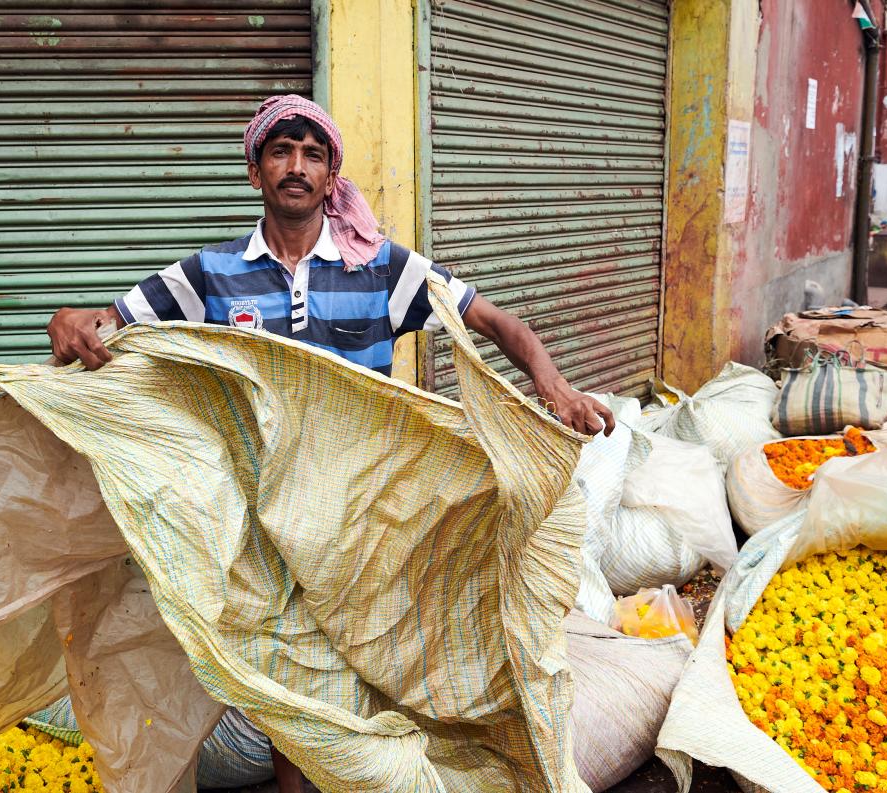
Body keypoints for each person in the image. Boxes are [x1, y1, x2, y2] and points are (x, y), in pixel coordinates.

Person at [45, 94, 615, 791]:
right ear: (255, 171)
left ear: (330, 176)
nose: (296, 166)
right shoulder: (209, 274)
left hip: (369, 515)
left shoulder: (379, 267)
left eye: (313, 155)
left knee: (391, 668)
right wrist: (66, 319)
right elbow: (104, 325)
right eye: (281, 152)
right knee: (298, 689)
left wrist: (553, 386)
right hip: (268, 526)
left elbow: (493, 320)